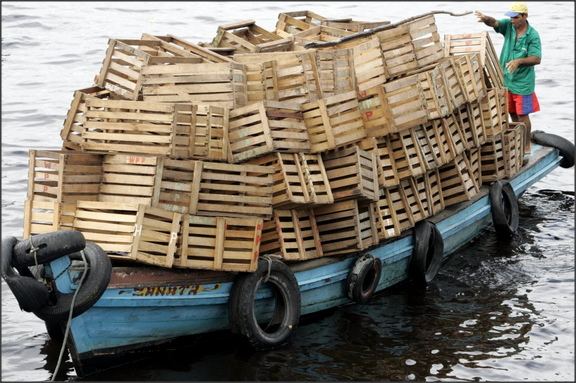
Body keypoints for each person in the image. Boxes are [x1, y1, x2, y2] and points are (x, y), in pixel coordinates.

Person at [474, 2, 542, 154]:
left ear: (525, 16)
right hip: (506, 80)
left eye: (516, 17)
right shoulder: (509, 27)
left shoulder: (533, 35)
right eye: (511, 17)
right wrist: (485, 18)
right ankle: (517, 140)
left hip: (523, 82)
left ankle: (526, 145)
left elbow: (536, 58)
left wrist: (519, 61)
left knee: (523, 115)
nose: (513, 20)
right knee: (511, 112)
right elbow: (495, 22)